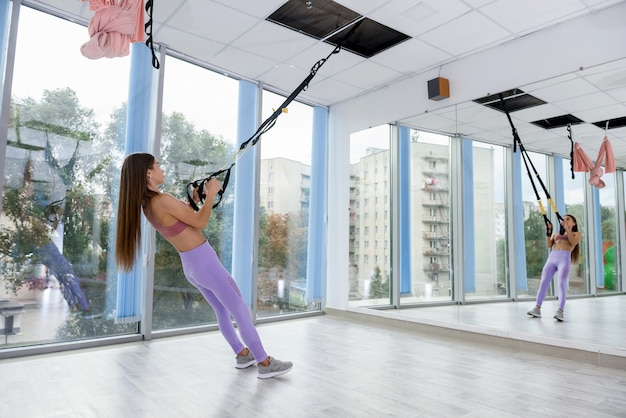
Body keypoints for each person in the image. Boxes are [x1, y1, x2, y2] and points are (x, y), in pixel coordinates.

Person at [115, 153, 293, 379]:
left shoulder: (150, 205)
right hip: (205, 263)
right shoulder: (163, 199)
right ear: (148, 173)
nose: (162, 168)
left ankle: (242, 353)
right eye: (157, 165)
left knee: (221, 310)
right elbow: (200, 222)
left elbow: (185, 221)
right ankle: (264, 362)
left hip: (192, 267)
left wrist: (197, 199)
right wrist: (211, 195)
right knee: (239, 308)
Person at [527, 214, 582, 321]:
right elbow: (549, 245)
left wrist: (567, 229)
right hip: (552, 258)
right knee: (544, 282)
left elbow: (573, 242)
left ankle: (560, 310)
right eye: (564, 219)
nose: (565, 220)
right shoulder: (557, 234)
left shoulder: (577, 234)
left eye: (568, 219)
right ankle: (537, 308)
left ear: (573, 223)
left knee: (561, 284)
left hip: (564, 259)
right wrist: (548, 233)